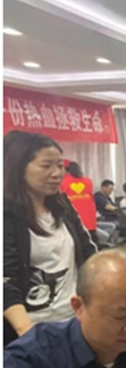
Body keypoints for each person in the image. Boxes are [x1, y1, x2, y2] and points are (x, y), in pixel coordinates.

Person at [4, 131, 97, 345]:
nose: (58, 173)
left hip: (74, 320)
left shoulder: (62, 205)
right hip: (31, 330)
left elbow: (87, 251)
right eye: (46, 166)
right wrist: (28, 335)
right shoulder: (6, 215)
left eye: (60, 166)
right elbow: (5, 280)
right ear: (19, 168)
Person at [60, 161, 99, 243]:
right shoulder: (88, 181)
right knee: (92, 241)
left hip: (74, 219)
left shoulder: (62, 183)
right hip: (89, 218)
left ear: (65, 170)